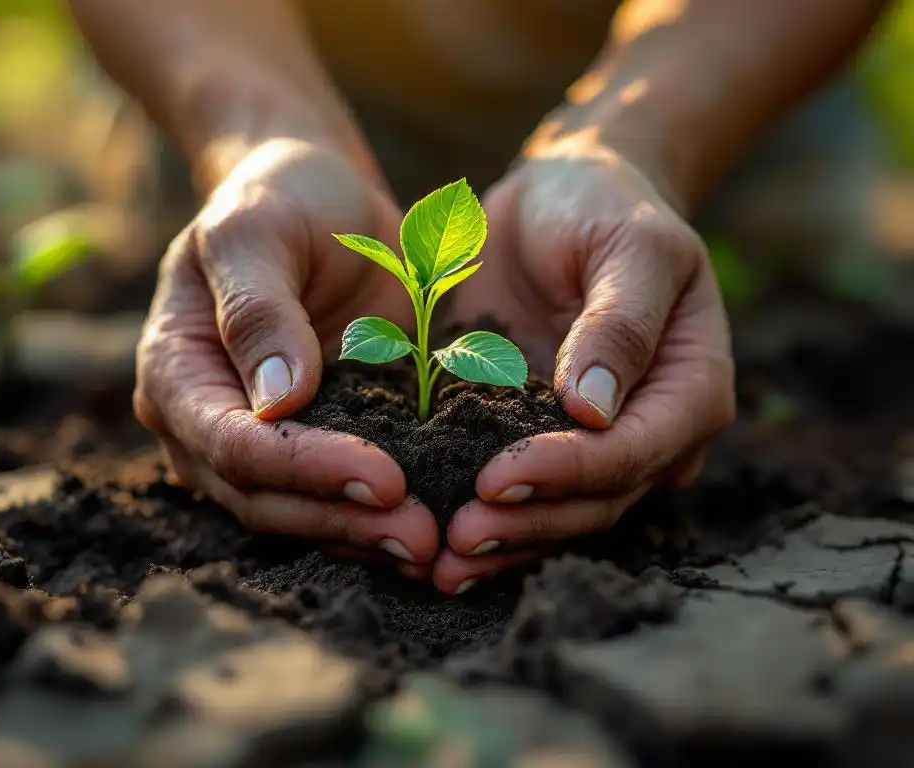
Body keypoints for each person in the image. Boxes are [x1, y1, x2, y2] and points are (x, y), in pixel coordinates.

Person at [67, 0, 890, 594]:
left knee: (802, 281)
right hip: (261, 56)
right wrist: (260, 136)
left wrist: (634, 147)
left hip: (720, 77)